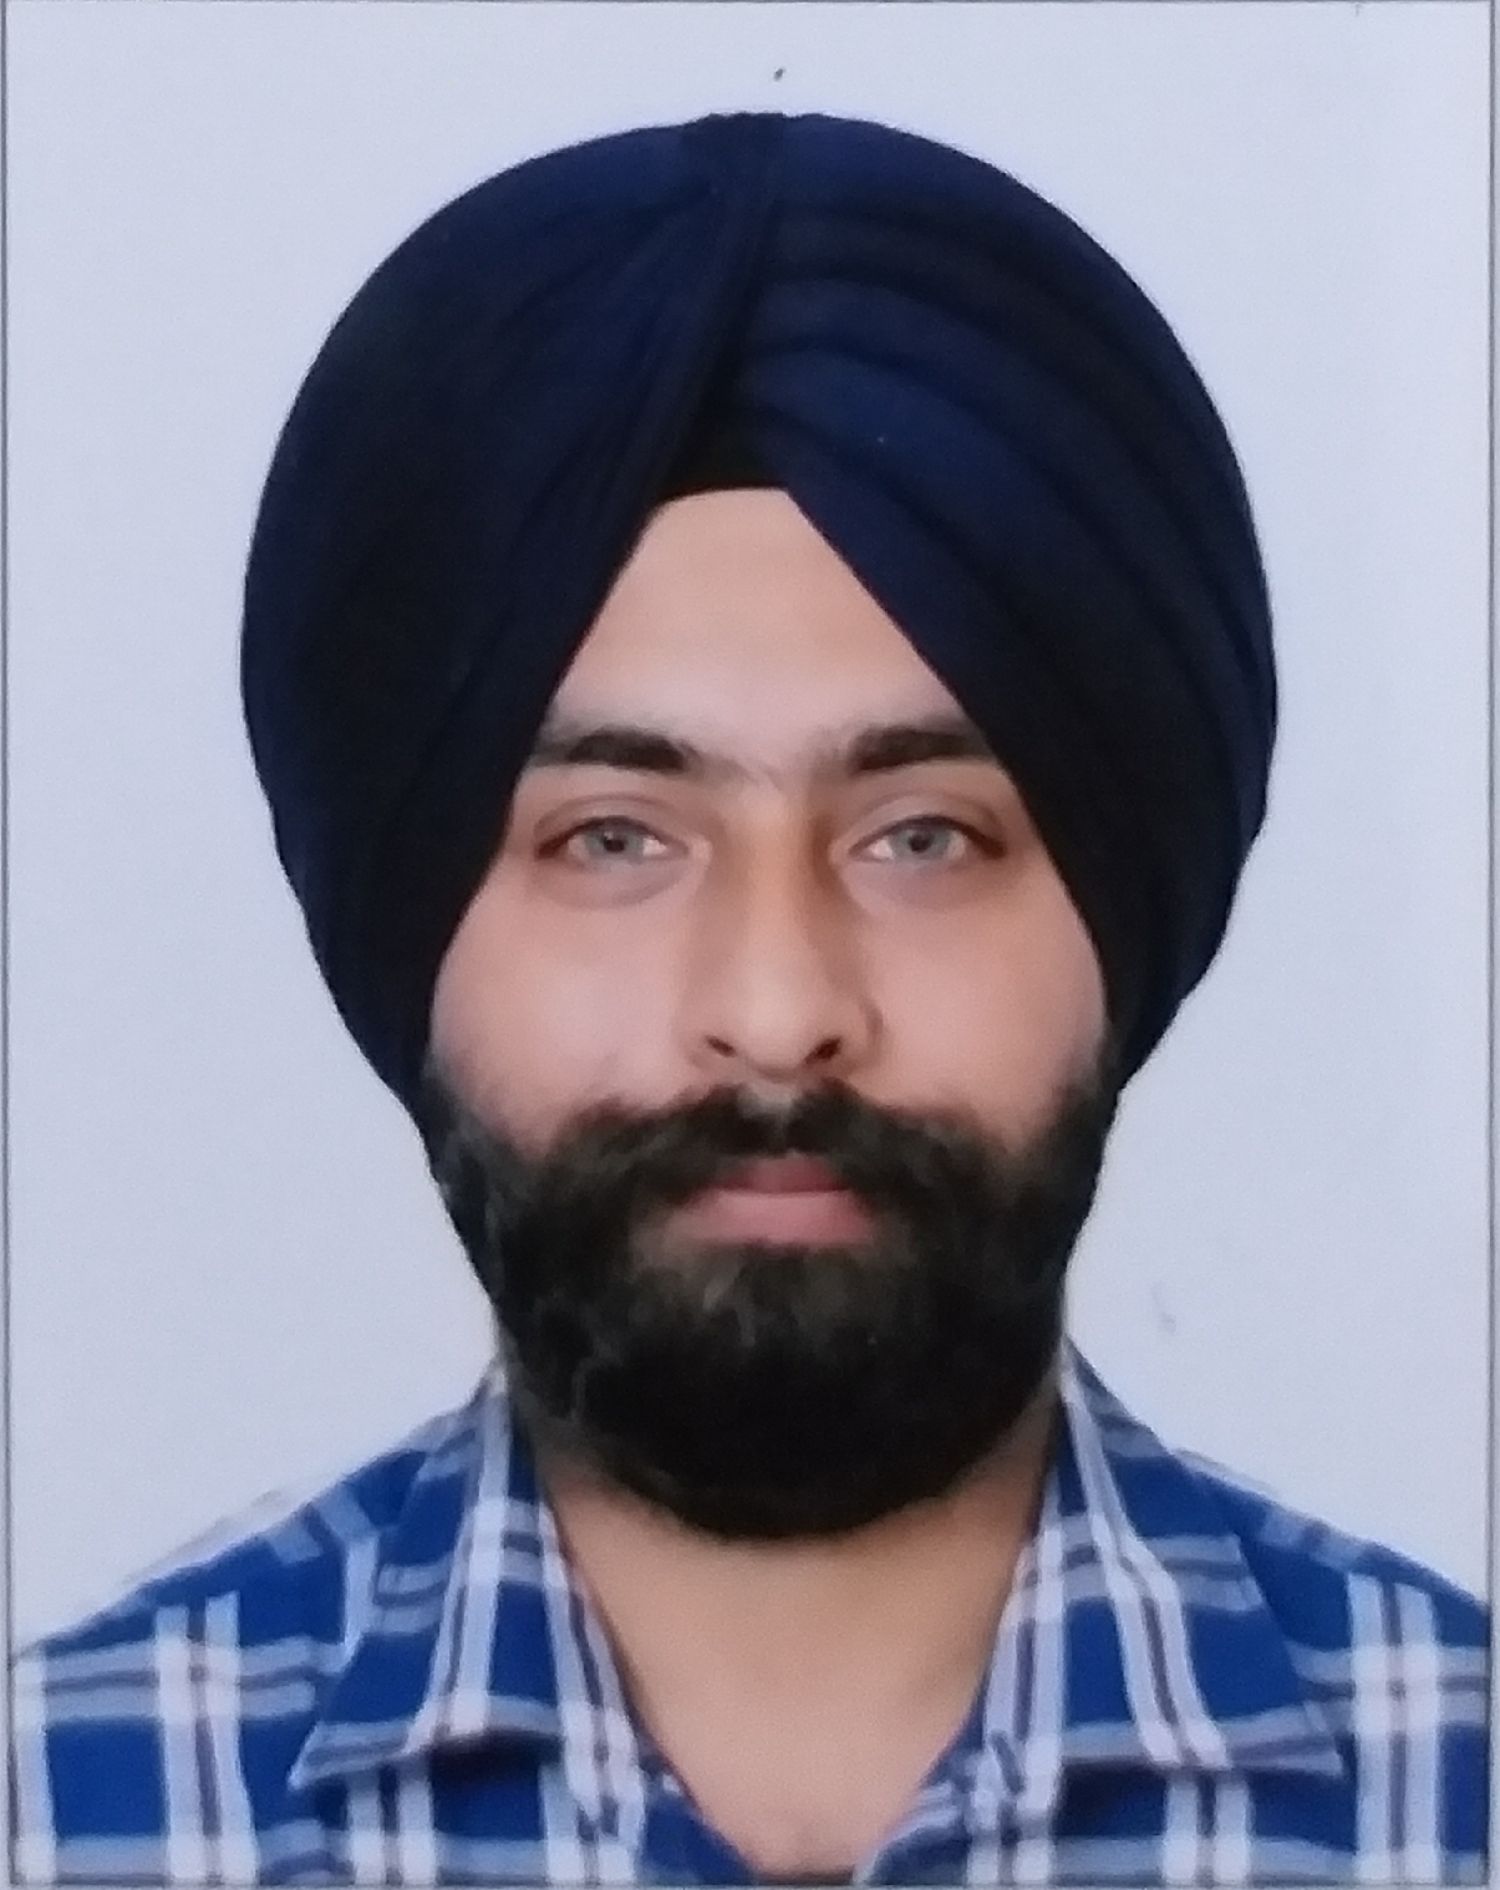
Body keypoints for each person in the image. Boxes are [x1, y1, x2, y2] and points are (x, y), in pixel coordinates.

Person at [10, 110, 1487, 1887]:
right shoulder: (62, 1814)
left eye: (924, 837)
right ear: (412, 929)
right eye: (614, 838)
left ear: (1122, 910)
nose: (779, 1012)